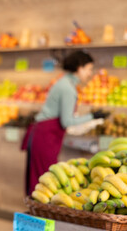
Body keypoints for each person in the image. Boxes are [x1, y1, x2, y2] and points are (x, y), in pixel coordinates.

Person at [21, 50, 109, 196]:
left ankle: (38, 215)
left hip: (44, 135)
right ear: (79, 68)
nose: (90, 73)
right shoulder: (68, 88)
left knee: (42, 180)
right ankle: (39, 216)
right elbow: (67, 121)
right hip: (45, 138)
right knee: (45, 182)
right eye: (89, 69)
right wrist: (92, 116)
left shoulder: (64, 82)